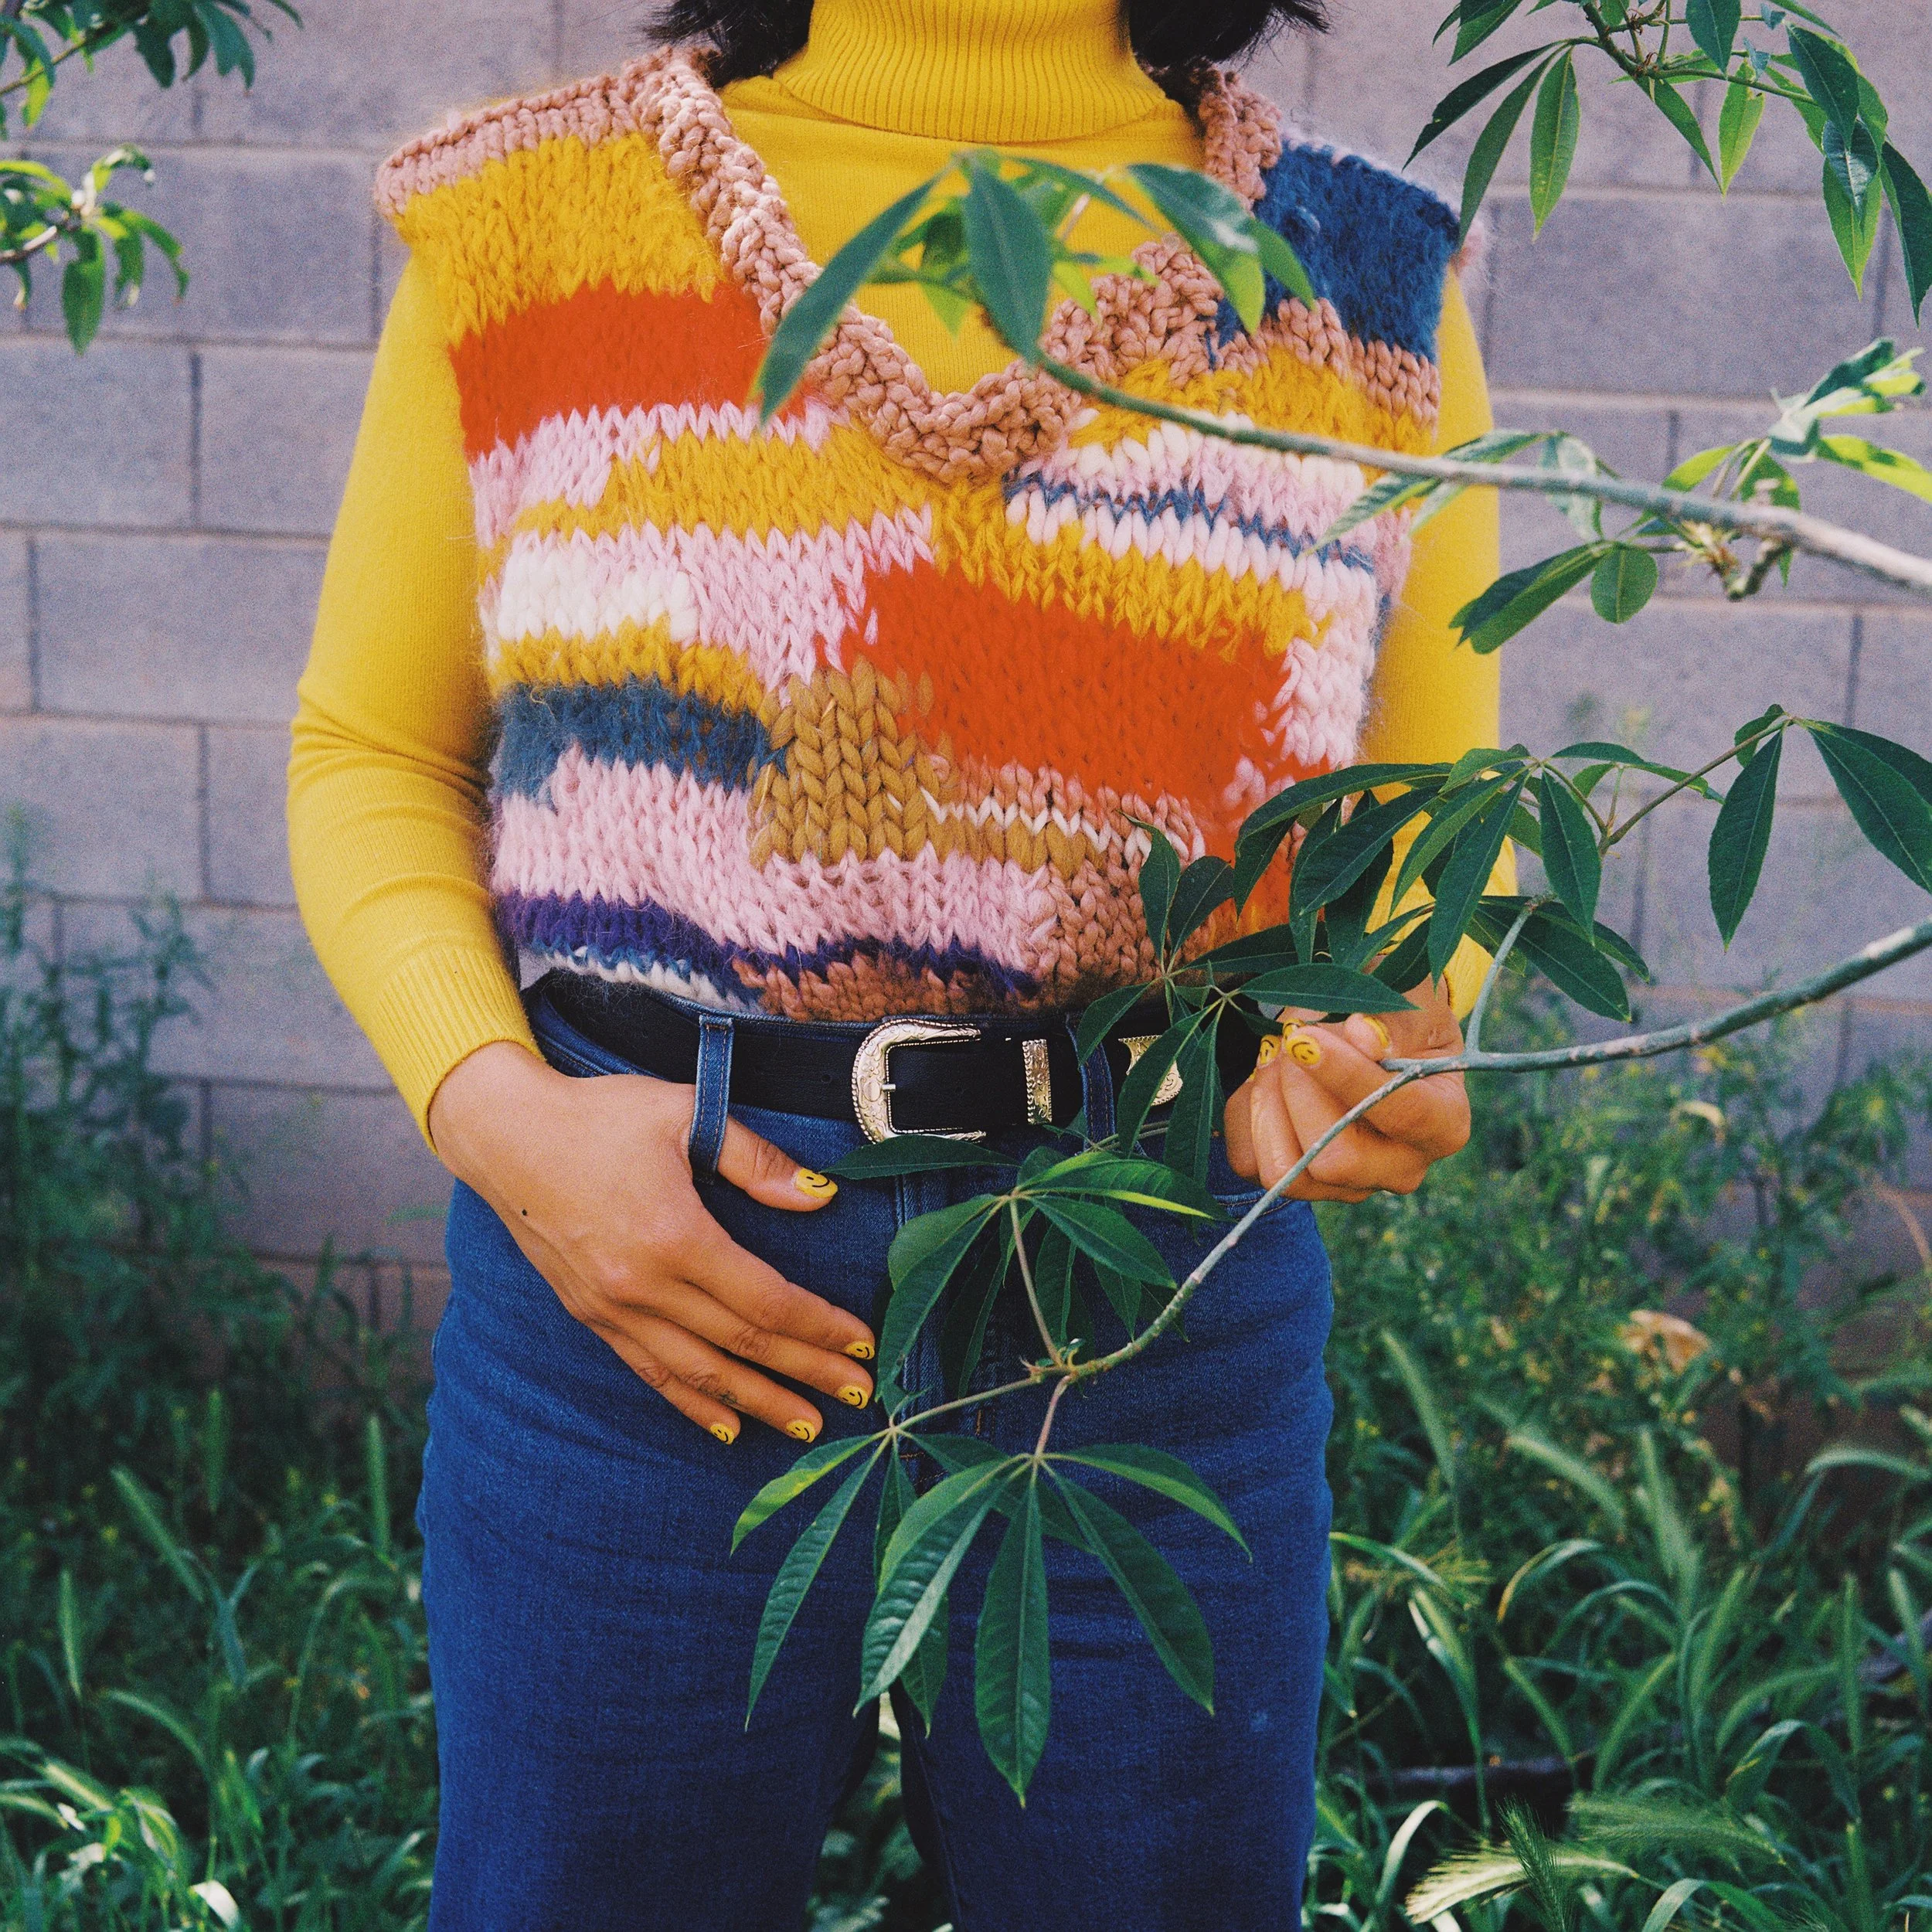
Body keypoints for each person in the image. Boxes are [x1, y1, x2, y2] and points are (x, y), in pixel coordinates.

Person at [289, 0, 1500, 1923]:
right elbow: (374, 752)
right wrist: (498, 1112)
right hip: (640, 1289)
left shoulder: (1351, 277)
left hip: (1152, 1291)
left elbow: (1437, 817)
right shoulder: (532, 217)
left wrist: (1401, 1014)